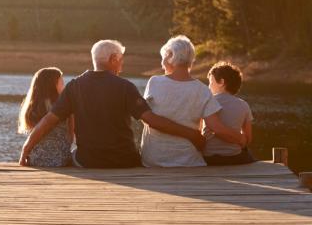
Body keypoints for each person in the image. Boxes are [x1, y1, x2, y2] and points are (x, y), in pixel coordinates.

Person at [19, 40, 206, 168]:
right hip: (125, 161)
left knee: (75, 154)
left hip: (88, 161)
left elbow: (48, 121)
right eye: (120, 60)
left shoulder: (74, 86)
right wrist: (192, 134)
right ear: (113, 59)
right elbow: (151, 120)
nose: (122, 66)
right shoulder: (125, 87)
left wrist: (26, 149)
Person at [140, 36, 247, 167]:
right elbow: (217, 128)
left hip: (153, 161)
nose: (162, 63)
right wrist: (241, 138)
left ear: (170, 55)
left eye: (163, 57)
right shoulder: (202, 90)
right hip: (188, 162)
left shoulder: (155, 82)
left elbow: (146, 117)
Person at [18, 67, 74, 167]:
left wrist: (25, 152)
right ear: (53, 85)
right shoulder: (63, 108)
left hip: (36, 159)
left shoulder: (33, 108)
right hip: (60, 160)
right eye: (61, 83)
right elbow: (71, 136)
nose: (64, 87)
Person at [202, 61, 256, 165]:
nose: (209, 86)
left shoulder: (206, 102)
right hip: (234, 157)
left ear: (221, 82)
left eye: (210, 82)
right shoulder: (244, 105)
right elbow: (248, 139)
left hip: (209, 159)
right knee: (248, 153)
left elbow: (200, 133)